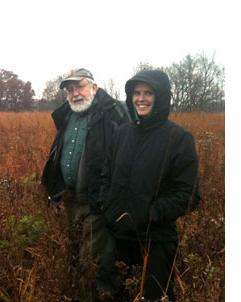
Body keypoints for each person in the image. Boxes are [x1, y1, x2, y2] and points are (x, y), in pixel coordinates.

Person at [95, 70, 201, 301]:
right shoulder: (121, 133)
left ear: (161, 97)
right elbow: (106, 175)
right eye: (136, 93)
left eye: (148, 93)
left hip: (156, 241)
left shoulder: (179, 138)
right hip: (118, 236)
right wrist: (107, 205)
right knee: (109, 293)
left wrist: (151, 213)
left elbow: (189, 194)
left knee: (153, 296)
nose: (141, 98)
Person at [40, 68, 129, 299]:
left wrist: (112, 198)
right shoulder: (68, 115)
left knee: (92, 260)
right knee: (74, 255)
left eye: (79, 86)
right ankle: (77, 292)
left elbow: (126, 156)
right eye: (70, 90)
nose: (75, 93)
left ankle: (91, 295)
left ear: (94, 88)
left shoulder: (114, 113)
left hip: (97, 204)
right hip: (69, 200)